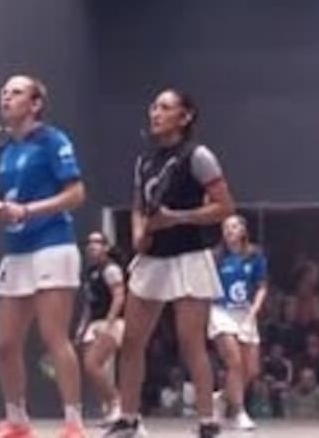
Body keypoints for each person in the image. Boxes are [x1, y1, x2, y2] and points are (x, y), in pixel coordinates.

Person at [104, 88, 235, 438]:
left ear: (185, 116)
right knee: (132, 341)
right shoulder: (144, 161)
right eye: (153, 107)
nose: (155, 113)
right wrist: (138, 233)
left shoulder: (199, 156)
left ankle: (207, 422)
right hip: (152, 259)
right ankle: (128, 419)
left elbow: (225, 207)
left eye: (164, 107)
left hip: (189, 258)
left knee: (191, 342)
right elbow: (138, 205)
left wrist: (177, 218)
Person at [0, 74, 87, 438]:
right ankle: (17, 421)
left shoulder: (53, 141)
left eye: (15, 92)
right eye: (3, 92)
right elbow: (1, 199)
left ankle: (74, 423)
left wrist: (28, 211)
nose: (6, 97)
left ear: (35, 103)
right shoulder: (4, 150)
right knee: (4, 343)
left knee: (53, 337)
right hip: (17, 253)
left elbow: (76, 194)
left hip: (53, 245)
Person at [208, 214, 268, 430]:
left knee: (251, 369)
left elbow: (262, 286)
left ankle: (223, 398)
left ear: (243, 230)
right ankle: (238, 412)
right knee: (234, 362)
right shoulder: (216, 257)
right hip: (221, 312)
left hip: (245, 313)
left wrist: (254, 310)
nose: (229, 231)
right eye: (226, 227)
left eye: (234, 227)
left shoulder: (254, 255)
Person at [77, 231, 126, 425]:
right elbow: (89, 304)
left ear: (106, 247)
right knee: (90, 367)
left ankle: (117, 403)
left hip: (112, 323)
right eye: (90, 242)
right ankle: (110, 408)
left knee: (93, 363)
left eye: (97, 242)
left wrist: (108, 323)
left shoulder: (111, 269)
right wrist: (82, 327)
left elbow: (119, 296)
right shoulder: (90, 272)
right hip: (94, 323)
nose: (92, 246)